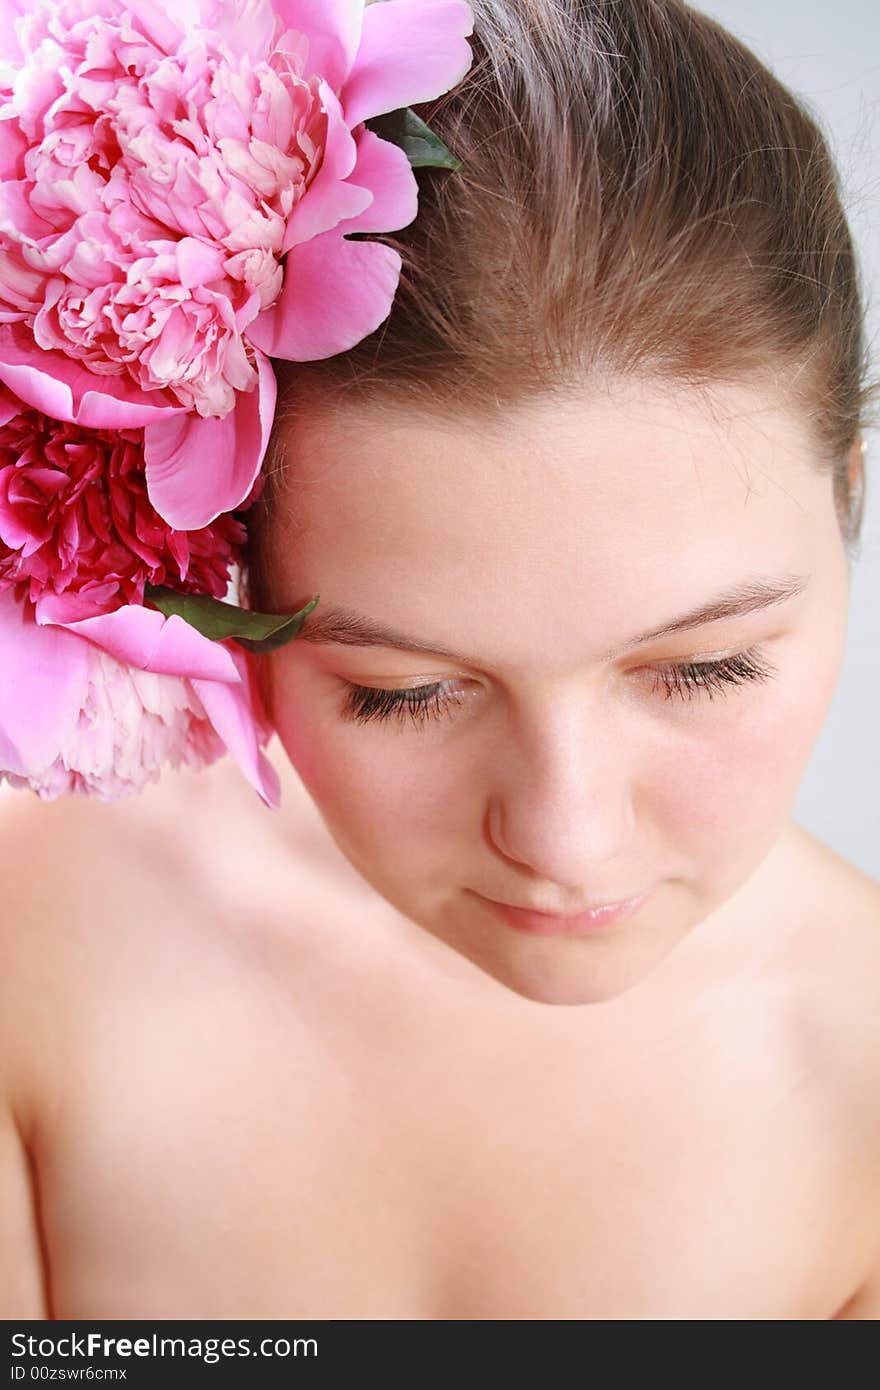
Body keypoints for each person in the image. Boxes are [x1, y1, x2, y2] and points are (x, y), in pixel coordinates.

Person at [2, 0, 879, 1321]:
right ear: (226, 571)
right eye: (401, 691)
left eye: (705, 668)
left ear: (851, 503)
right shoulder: (30, 945)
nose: (566, 838)